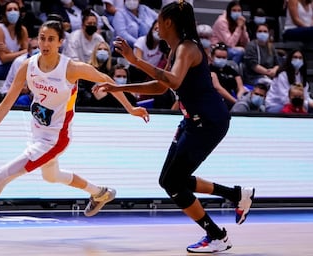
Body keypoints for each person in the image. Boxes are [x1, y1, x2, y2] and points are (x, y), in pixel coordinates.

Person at [0, 20, 149, 239]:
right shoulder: (29, 65)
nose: (45, 43)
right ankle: (100, 193)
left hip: (55, 139)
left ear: (60, 42)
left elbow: (107, 80)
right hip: (38, 134)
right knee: (52, 176)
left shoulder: (71, 68)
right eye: (42, 38)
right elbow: (6, 102)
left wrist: (130, 108)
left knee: (2, 176)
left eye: (51, 39)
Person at [94, 1, 255, 253]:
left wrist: (135, 60)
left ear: (168, 22)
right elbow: (160, 86)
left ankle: (217, 235)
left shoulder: (188, 48)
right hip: (192, 120)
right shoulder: (176, 49)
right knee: (169, 179)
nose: (156, 25)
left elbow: (173, 79)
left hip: (209, 122)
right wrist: (119, 88)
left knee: (173, 182)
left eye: (158, 20)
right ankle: (236, 195)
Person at [0, 1, 29, 80]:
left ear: (19, 13)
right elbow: (3, 59)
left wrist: (10, 52)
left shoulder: (22, 30)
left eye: (15, 9)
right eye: (9, 10)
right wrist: (23, 52)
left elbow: (27, 54)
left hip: (14, 63)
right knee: (25, 68)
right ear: (4, 14)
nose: (13, 12)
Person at [265, 49, 313, 113]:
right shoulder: (282, 75)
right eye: (295, 57)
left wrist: (310, 102)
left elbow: (306, 96)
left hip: (297, 105)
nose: (298, 60)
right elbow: (284, 99)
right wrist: (306, 103)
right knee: (291, 111)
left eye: (300, 58)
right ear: (290, 59)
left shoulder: (301, 76)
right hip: (276, 105)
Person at [210, 42, 246, 110]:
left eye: (224, 57)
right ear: (212, 57)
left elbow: (240, 87)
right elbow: (218, 88)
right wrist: (235, 101)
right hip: (216, 100)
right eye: (218, 57)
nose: (221, 59)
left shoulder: (230, 70)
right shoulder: (209, 70)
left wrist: (239, 96)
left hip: (232, 100)